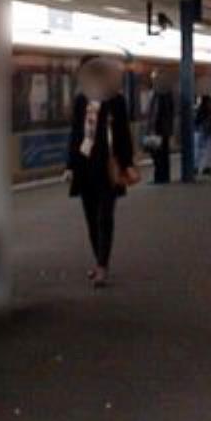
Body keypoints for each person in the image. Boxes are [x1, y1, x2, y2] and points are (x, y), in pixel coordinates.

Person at [65, 57, 137, 288]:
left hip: (107, 168)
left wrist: (127, 164)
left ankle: (102, 265)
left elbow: (123, 134)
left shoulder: (116, 101)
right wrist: (70, 166)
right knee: (90, 218)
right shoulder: (80, 101)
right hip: (85, 167)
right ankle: (99, 261)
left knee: (104, 216)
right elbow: (76, 134)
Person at [145, 71, 175, 183]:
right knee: (163, 154)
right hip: (164, 129)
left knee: (157, 155)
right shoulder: (168, 92)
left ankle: (159, 177)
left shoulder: (158, 93)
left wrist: (151, 130)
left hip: (157, 129)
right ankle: (165, 177)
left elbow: (156, 113)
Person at [194, 91, 211, 176]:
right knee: (206, 150)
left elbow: (197, 121)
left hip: (205, 131)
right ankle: (204, 167)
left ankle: (200, 167)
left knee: (203, 150)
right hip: (206, 131)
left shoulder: (203, 109)